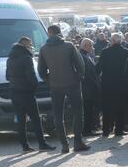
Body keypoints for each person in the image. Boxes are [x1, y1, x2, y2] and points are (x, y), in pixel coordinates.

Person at [37, 24, 89, 154]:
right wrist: (78, 77)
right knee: (78, 113)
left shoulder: (43, 49)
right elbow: (80, 65)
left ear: (49, 33)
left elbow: (41, 71)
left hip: (55, 86)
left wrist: (49, 80)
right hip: (72, 84)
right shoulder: (69, 46)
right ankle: (78, 142)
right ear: (60, 33)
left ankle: (64, 144)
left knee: (58, 116)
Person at [6, 37, 55, 152]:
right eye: (30, 45)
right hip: (26, 93)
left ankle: (25, 145)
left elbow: (7, 76)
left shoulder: (10, 58)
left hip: (14, 93)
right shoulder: (26, 58)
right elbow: (31, 77)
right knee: (35, 119)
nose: (31, 47)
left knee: (21, 121)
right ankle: (42, 144)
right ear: (24, 46)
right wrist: (35, 87)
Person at [96, 33, 128, 137]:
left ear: (112, 41)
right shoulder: (126, 52)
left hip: (107, 85)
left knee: (107, 108)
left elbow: (98, 68)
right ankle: (119, 130)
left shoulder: (105, 52)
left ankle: (106, 130)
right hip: (122, 85)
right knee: (121, 108)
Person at [79, 38, 101, 137]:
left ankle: (89, 129)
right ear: (85, 46)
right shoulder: (83, 57)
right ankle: (87, 130)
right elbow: (88, 75)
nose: (92, 48)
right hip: (87, 88)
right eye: (90, 46)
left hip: (87, 88)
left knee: (89, 110)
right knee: (88, 110)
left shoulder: (85, 55)